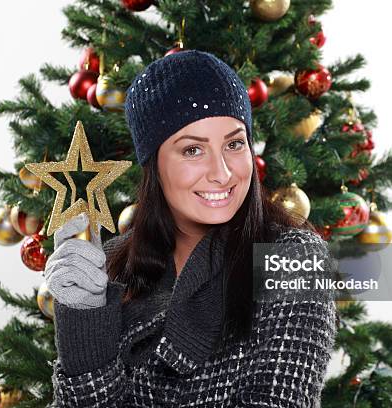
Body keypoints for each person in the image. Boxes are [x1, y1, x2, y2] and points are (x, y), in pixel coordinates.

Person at [46, 50, 337, 407]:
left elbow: (279, 397)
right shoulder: (110, 268)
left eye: (234, 144)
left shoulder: (293, 257)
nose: (223, 173)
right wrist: (82, 319)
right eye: (192, 151)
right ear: (155, 166)